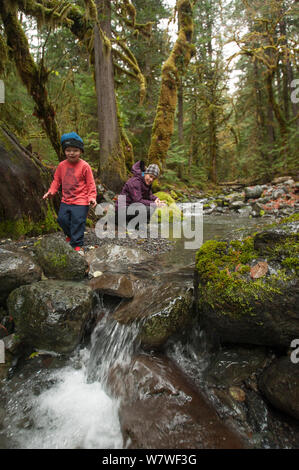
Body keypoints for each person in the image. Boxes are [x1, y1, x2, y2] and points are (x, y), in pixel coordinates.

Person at [43, 132, 97, 254]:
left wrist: (92, 197)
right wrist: (52, 191)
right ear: (64, 151)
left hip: (81, 200)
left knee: (78, 222)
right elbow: (56, 180)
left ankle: (77, 245)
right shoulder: (62, 166)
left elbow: (90, 184)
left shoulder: (85, 166)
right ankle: (70, 235)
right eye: (68, 150)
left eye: (75, 150)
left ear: (81, 151)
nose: (71, 153)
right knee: (61, 219)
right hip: (66, 200)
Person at [114, 160, 166, 230]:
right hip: (121, 210)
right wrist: (154, 203)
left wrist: (156, 199)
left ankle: (137, 224)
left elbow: (149, 195)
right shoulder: (135, 182)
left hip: (131, 208)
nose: (151, 180)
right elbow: (137, 200)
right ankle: (122, 222)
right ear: (145, 173)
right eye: (150, 176)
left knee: (151, 207)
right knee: (148, 208)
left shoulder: (145, 182)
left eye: (153, 178)